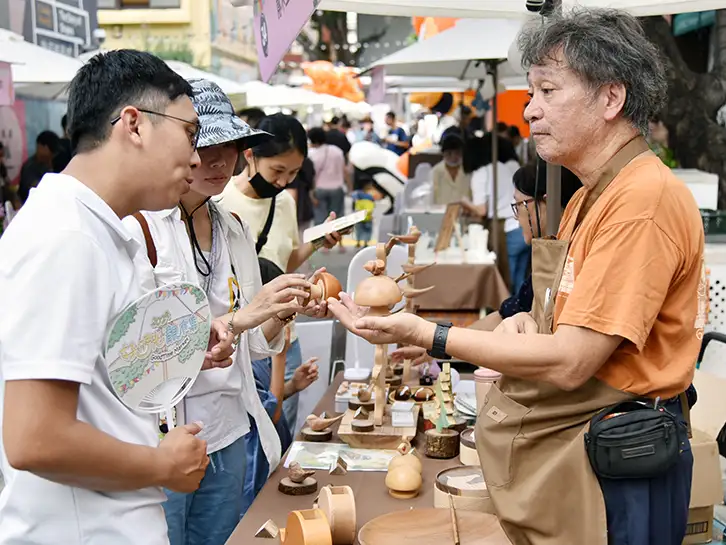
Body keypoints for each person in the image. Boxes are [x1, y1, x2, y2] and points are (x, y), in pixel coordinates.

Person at [330, 9, 704, 544]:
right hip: (583, 451)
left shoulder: (642, 200)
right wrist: (475, 335)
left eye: (547, 91)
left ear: (610, 99)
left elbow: (575, 360)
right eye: (532, 93)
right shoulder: (592, 195)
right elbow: (548, 316)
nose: (530, 111)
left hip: (622, 458)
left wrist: (430, 335)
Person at [0, 49, 228, 545]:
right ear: (134, 124)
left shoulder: (97, 229)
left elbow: (99, 370)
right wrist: (161, 463)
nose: (196, 156)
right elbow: (32, 437)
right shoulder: (68, 237)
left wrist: (178, 348)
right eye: (190, 133)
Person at [123, 79, 319, 545]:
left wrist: (280, 309)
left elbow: (253, 342)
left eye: (230, 149)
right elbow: (134, 349)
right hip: (164, 434)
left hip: (228, 427)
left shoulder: (230, 228)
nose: (218, 162)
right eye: (206, 146)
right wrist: (243, 317)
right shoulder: (143, 225)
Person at [217, 114, 342, 434]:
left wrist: (317, 242)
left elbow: (284, 264)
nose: (284, 181)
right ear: (249, 156)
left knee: (281, 428)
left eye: (294, 173)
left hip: (283, 336)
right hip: (238, 338)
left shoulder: (284, 202)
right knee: (250, 435)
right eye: (277, 170)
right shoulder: (219, 200)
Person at [393, 158, 582, 365]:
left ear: (546, 202)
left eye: (519, 205)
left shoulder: (572, 259)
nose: (516, 216)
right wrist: (437, 346)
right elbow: (505, 314)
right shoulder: (551, 256)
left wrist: (435, 341)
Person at [242, 264, 320, 515]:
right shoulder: (250, 355)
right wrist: (280, 357)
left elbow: (265, 398)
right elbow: (271, 413)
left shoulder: (260, 351)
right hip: (257, 465)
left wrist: (292, 386)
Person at [462, 133, 528, 293]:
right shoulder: (503, 167)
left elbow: (481, 210)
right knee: (521, 281)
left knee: (505, 283)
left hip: (505, 231)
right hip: (523, 228)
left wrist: (464, 202)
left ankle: (512, 315)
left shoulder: (480, 174)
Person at [308, 127, 347, 226]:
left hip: (320, 189)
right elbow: (344, 170)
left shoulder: (312, 154)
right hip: (337, 188)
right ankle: (337, 240)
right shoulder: (337, 151)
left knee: (320, 220)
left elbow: (311, 176)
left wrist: (311, 194)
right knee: (336, 219)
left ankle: (321, 240)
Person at [17, 130, 59, 204]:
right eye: (51, 151)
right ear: (40, 147)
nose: (52, 155)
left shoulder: (48, 165)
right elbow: (38, 189)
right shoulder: (30, 167)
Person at [431, 132, 471, 206]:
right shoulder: (435, 172)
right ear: (443, 153)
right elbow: (431, 198)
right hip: (441, 214)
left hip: (466, 214)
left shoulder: (470, 171)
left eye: (457, 153)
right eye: (449, 153)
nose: (453, 157)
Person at [351, 181, 378, 248]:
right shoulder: (370, 195)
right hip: (368, 216)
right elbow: (373, 206)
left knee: (358, 230)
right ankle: (365, 243)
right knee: (367, 230)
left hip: (358, 216)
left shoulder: (356, 194)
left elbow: (354, 204)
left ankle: (358, 242)